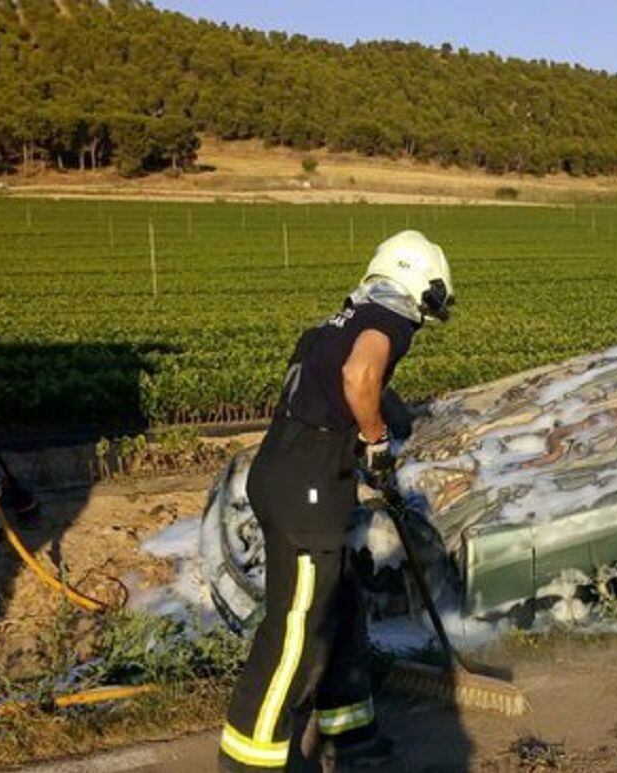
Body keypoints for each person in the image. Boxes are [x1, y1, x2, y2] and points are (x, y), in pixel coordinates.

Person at [219, 230, 455, 772]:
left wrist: (389, 415)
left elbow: (339, 377)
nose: (424, 316)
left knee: (341, 604)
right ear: (419, 285)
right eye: (429, 302)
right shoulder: (388, 322)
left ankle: (350, 731)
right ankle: (250, 757)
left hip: (286, 470)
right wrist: (375, 442)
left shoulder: (340, 321)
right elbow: (359, 375)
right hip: (308, 487)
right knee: (296, 626)